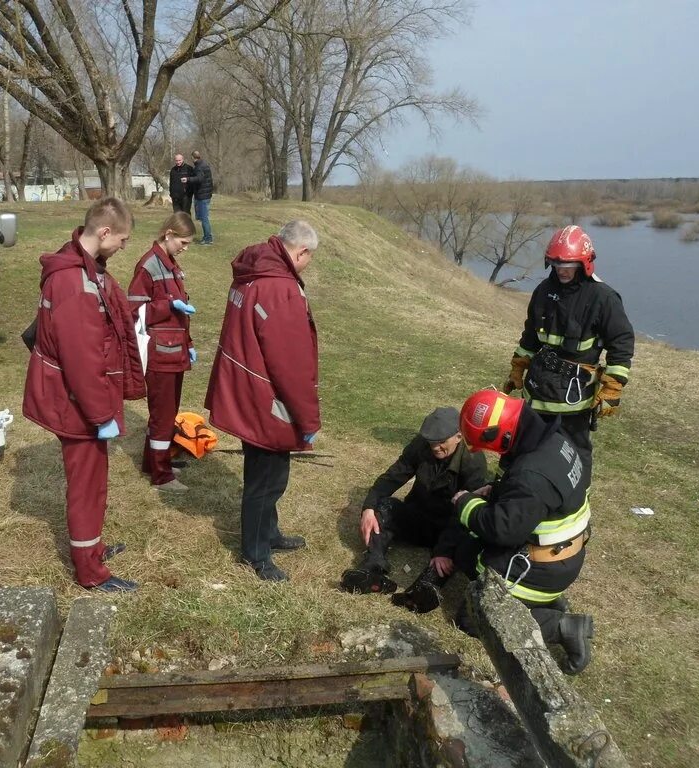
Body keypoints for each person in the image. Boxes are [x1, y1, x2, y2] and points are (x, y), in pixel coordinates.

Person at [23, 197, 145, 592]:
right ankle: (89, 571)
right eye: (122, 240)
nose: (124, 248)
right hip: (77, 405)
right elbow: (80, 358)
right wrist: (99, 415)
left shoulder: (86, 271)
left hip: (85, 402)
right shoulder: (74, 283)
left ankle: (92, 547)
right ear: (104, 232)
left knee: (94, 479)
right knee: (86, 484)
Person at [441, 389, 595, 675]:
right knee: (467, 552)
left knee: (473, 618)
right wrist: (497, 493)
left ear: (502, 435)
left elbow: (503, 530)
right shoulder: (553, 442)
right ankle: (546, 600)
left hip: (543, 566)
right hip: (561, 555)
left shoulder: (531, 475)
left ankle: (562, 627)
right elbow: (535, 503)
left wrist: (465, 503)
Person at [205, 220, 320, 581]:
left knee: (268, 470)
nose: (307, 265)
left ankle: (269, 532)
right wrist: (308, 420)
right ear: (300, 252)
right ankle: (256, 553)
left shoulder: (251, 272)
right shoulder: (280, 290)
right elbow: (291, 365)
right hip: (265, 398)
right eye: (308, 259)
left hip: (245, 389)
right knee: (266, 479)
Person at [503, 225, 634, 474]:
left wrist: (613, 387)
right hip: (538, 388)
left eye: (569, 265)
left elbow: (622, 343)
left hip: (574, 396)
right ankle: (517, 491)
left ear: (584, 263)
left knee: (573, 451)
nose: (561, 269)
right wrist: (518, 367)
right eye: (555, 263)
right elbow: (531, 336)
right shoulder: (543, 291)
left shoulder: (602, 298)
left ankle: (575, 500)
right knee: (526, 444)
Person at [340, 407, 488, 599]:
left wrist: (443, 551)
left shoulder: (474, 460)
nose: (435, 447)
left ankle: (424, 589)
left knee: (466, 541)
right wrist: (369, 508)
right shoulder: (421, 445)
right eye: (431, 442)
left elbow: (465, 515)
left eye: (441, 442)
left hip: (450, 525)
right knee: (385, 507)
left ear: (459, 437)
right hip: (419, 515)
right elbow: (394, 475)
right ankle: (372, 570)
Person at [127, 211, 197, 492]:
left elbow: (181, 314)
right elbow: (133, 310)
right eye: (183, 242)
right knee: (162, 414)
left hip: (175, 351)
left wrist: (189, 344)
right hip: (160, 353)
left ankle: (155, 460)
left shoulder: (171, 265)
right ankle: (160, 474)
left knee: (168, 412)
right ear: (168, 234)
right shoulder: (148, 266)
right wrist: (167, 307)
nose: (185, 248)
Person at [188, 150, 214, 245]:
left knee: (204, 218)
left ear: (193, 157)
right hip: (205, 195)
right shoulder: (204, 164)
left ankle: (208, 238)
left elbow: (199, 179)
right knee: (203, 217)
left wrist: (188, 179)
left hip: (202, 196)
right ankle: (207, 236)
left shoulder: (199, 167)